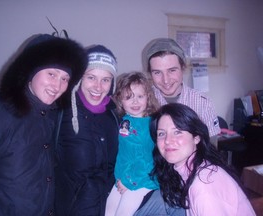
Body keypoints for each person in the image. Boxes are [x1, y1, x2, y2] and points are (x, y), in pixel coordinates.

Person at [0, 33, 87, 216]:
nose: (57, 85)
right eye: (51, 74)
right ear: (30, 71)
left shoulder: (50, 115)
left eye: (65, 78)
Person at [149, 103, 256, 215]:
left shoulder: (204, 186)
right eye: (161, 134)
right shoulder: (194, 170)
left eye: (177, 132)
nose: (167, 140)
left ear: (196, 137)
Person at [55, 45, 119, 216]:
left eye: (105, 79)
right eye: (91, 77)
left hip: (109, 208)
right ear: (79, 79)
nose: (98, 87)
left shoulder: (114, 116)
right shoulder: (60, 112)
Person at [105, 72, 159, 216]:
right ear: (120, 100)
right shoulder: (124, 120)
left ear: (148, 97)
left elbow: (149, 160)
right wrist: (121, 180)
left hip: (142, 180)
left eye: (140, 96)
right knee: (108, 212)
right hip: (122, 178)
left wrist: (129, 181)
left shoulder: (151, 124)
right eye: (129, 97)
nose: (135, 102)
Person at [142, 38, 220, 137]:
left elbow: (211, 146)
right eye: (157, 72)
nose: (165, 80)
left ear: (183, 68)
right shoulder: (141, 101)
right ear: (150, 73)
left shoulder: (203, 103)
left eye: (172, 70)